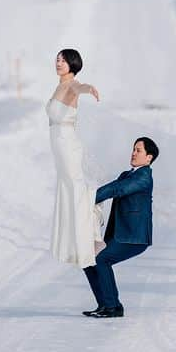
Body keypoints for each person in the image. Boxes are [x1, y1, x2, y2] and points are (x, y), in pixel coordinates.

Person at [82, 136, 157, 319]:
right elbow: (115, 185)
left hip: (134, 237)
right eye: (133, 149)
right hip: (120, 234)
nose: (133, 153)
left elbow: (118, 190)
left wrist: (88, 199)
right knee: (89, 261)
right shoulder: (127, 175)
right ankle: (105, 304)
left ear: (149, 157)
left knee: (102, 260)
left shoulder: (144, 177)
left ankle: (113, 307)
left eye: (138, 150)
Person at [47, 48, 103, 268]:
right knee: (67, 187)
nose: (58, 63)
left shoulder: (71, 85)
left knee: (75, 187)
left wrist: (89, 89)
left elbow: (80, 87)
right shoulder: (59, 85)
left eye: (63, 60)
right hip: (59, 143)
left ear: (72, 64)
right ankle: (74, 243)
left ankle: (93, 235)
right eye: (57, 59)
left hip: (67, 142)